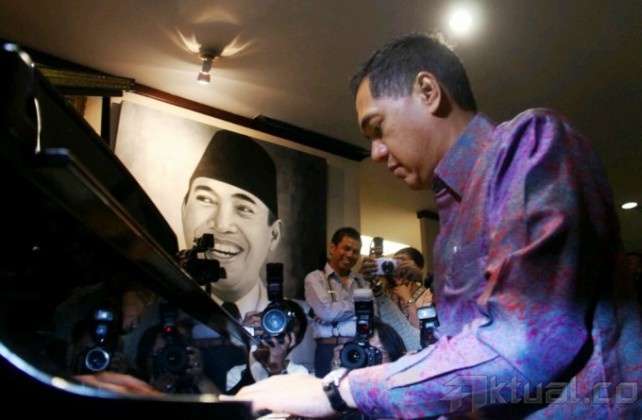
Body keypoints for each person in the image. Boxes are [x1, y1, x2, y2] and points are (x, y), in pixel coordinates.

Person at [223, 31, 642, 418]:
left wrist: (335, 391)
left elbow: (521, 344)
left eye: (378, 128)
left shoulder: (530, 143)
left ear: (428, 91)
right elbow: (464, 361)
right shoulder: (449, 228)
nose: (376, 152)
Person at [304, 227, 371, 378]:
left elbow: (373, 317)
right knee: (328, 392)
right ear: (332, 248)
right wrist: (361, 303)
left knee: (358, 392)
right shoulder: (315, 278)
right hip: (328, 348)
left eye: (355, 251)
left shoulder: (363, 281)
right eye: (346, 248)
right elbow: (327, 313)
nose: (350, 255)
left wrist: (335, 312)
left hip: (361, 347)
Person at [226, 298, 310, 392]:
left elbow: (289, 400)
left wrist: (277, 370)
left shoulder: (299, 373)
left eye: (282, 335)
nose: (273, 337)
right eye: (271, 327)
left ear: (293, 342)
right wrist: (245, 338)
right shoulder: (237, 373)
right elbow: (239, 400)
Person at [361, 246, 432, 352]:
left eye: (402, 264)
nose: (397, 270)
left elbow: (425, 332)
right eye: (393, 264)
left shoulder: (428, 294)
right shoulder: (386, 294)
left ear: (417, 268)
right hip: (391, 353)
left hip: (420, 352)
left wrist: (408, 299)